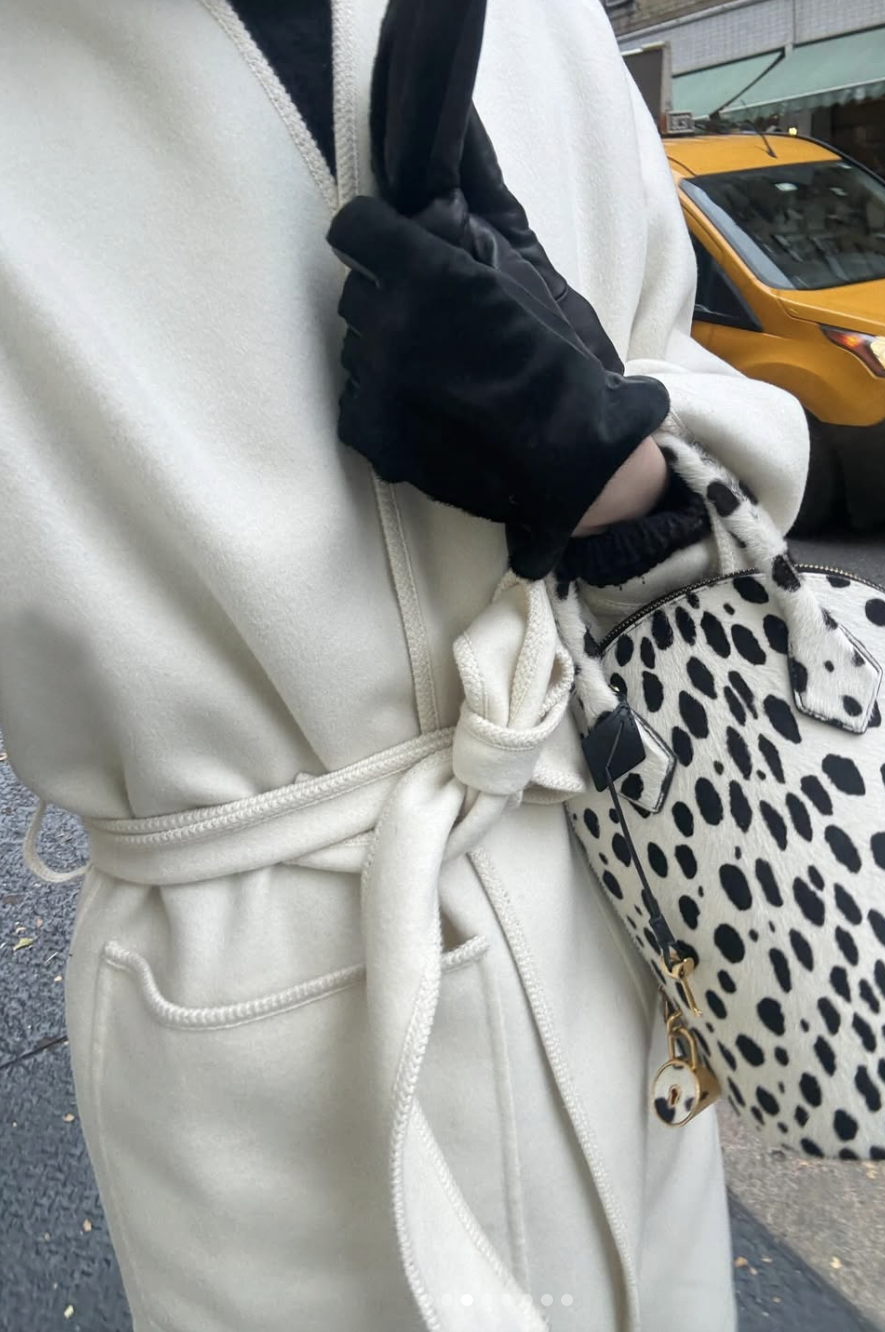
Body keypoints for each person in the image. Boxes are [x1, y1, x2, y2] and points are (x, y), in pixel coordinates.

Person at [0, 1, 808, 1329]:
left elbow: (690, 393)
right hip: (243, 1008)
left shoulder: (535, 18)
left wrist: (614, 463)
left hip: (592, 887)